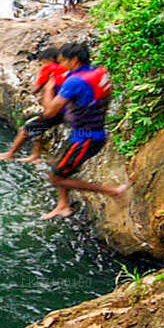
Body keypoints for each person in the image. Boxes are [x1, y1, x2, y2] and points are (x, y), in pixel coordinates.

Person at [36, 42, 130, 219]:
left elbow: (49, 112)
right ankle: (63, 205)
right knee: (59, 165)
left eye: (63, 61)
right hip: (89, 133)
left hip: (85, 138)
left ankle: (112, 191)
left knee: (56, 177)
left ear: (74, 60)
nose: (60, 65)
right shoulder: (99, 72)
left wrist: (49, 88)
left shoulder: (75, 82)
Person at [0, 48, 70, 163]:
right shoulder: (66, 70)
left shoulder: (50, 68)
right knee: (39, 129)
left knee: (26, 129)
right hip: (68, 108)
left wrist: (25, 91)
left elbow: (36, 88)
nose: (41, 66)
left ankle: (11, 153)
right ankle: (35, 155)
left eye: (42, 63)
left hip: (56, 109)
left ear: (49, 60)